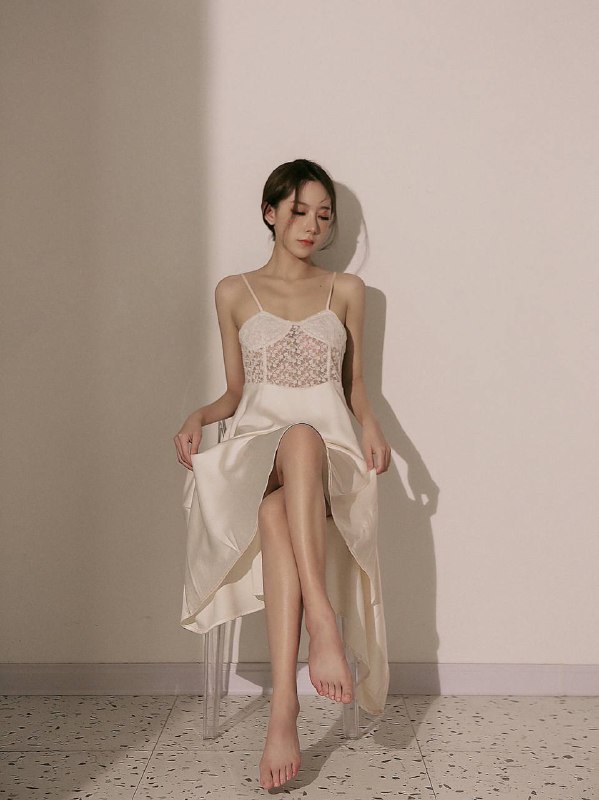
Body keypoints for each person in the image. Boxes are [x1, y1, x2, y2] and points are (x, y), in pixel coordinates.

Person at [173, 158, 391, 791]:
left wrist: (372, 426)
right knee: (291, 438)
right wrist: (198, 414)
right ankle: (322, 624)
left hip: (327, 455)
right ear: (270, 213)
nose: (312, 225)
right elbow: (236, 391)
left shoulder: (346, 289)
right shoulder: (233, 291)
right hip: (254, 451)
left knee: (287, 484)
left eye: (324, 215)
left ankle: (283, 712)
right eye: (299, 211)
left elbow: (355, 386)